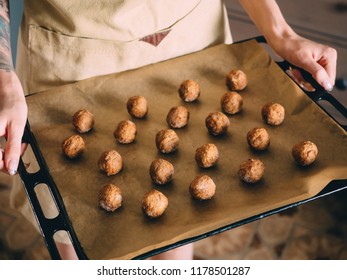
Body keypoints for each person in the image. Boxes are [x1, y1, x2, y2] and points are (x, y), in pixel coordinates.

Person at [0, 0, 337, 260]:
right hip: (73, 57)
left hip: (191, 36)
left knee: (175, 236)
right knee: (79, 242)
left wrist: (279, 32)